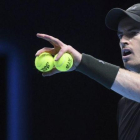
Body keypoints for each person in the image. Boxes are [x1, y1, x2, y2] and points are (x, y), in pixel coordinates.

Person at [35, 3, 140, 140]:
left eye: (133, 33)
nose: (123, 41)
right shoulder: (125, 102)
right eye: (120, 35)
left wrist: (82, 62)